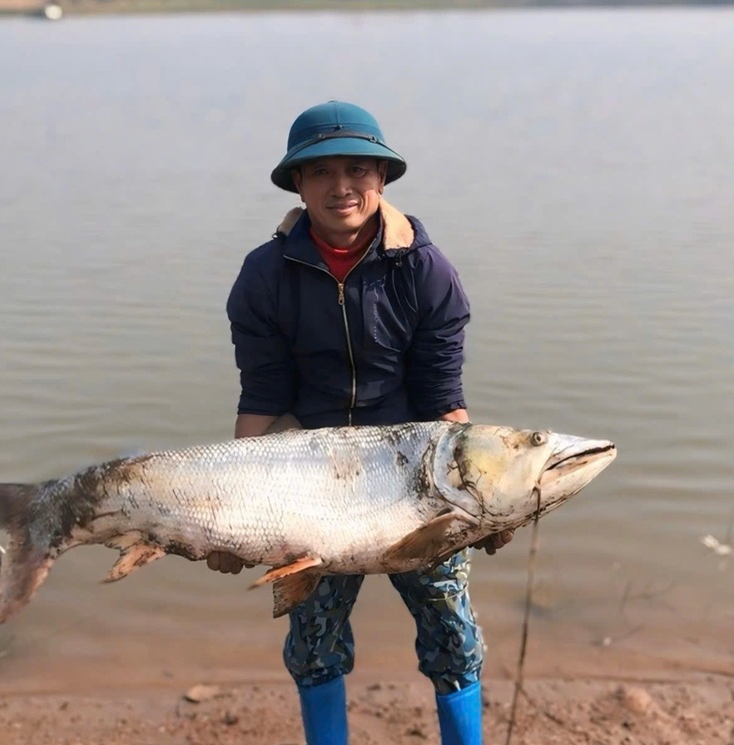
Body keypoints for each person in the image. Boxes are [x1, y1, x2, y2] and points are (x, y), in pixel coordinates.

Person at [208, 100, 513, 745]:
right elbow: (262, 395)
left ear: (381, 178)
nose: (341, 186)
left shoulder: (425, 270)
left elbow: (443, 397)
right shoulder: (264, 275)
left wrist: (482, 502)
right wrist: (237, 510)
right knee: (313, 644)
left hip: (411, 476)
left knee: (453, 636)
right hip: (308, 480)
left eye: (357, 169)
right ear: (297, 183)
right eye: (320, 171)